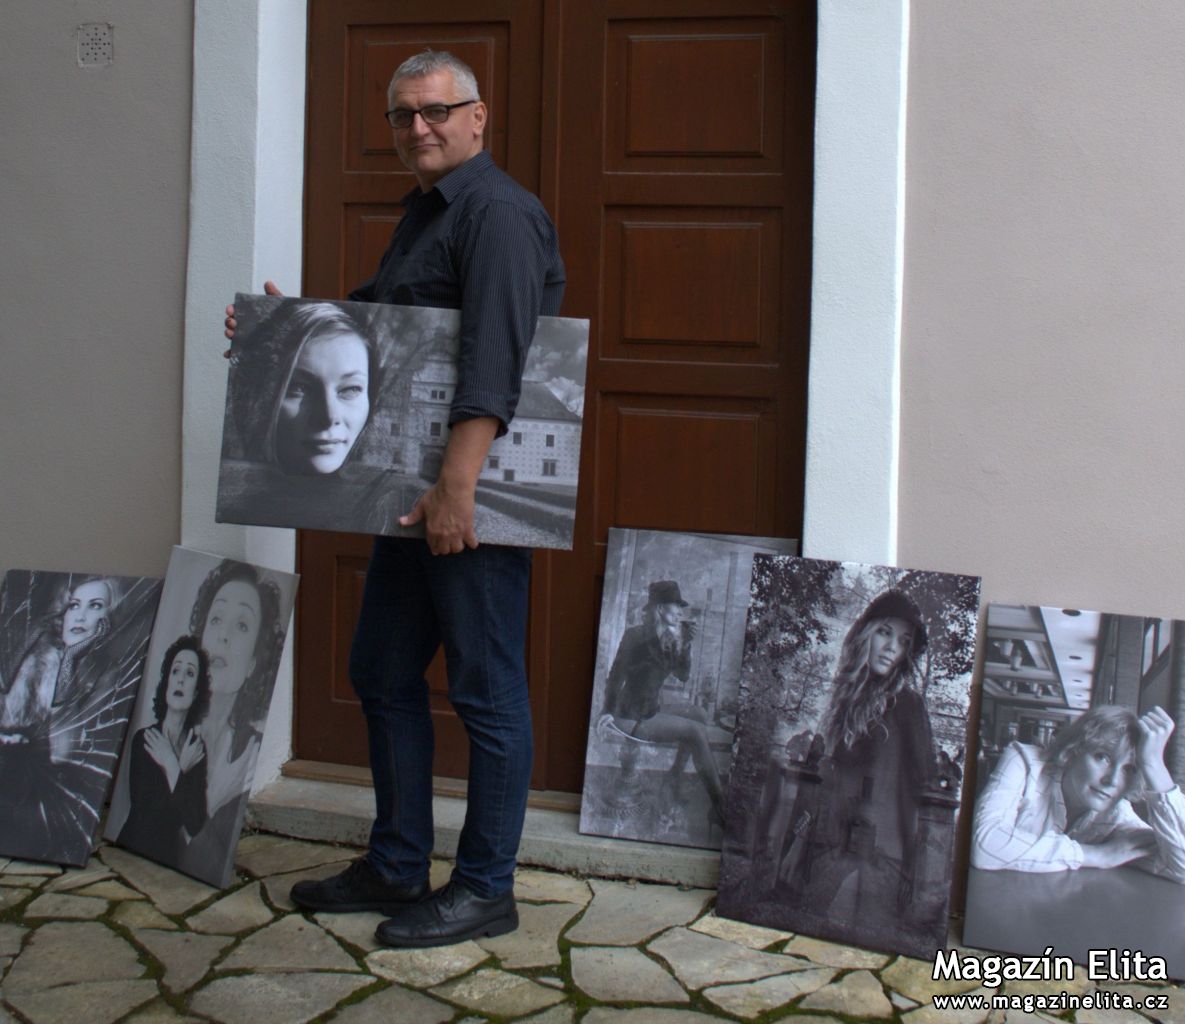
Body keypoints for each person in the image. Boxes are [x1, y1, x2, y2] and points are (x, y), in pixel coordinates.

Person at [225, 49, 564, 946]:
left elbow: (494, 363)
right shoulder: (428, 215)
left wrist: (459, 492)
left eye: (436, 111)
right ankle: (397, 862)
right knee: (381, 669)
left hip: (464, 496)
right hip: (412, 501)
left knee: (486, 691)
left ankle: (486, 886)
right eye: (402, 115)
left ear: (479, 116)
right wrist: (277, 331)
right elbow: (379, 329)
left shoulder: (495, 214)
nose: (418, 127)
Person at [774, 589, 936, 930]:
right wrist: (798, 844)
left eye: (904, 641)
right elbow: (821, 783)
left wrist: (915, 875)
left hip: (883, 861)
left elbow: (925, 789)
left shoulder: (908, 705)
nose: (893, 647)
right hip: (831, 846)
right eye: (884, 632)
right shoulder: (843, 703)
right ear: (866, 634)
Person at [971, 704, 1185, 881]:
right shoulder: (1024, 762)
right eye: (1103, 757)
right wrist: (1094, 855)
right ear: (1073, 750)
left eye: (1129, 769)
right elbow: (984, 845)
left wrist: (1155, 767)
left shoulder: (1117, 814)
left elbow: (1180, 868)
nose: (1111, 781)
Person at [178, 560, 285, 881]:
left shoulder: (248, 755)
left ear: (253, 662)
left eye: (241, 626)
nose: (222, 636)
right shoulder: (162, 736)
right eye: (216, 619)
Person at [597, 580, 724, 829]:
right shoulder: (635, 635)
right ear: (659, 609)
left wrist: (686, 645)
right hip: (631, 714)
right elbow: (615, 675)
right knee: (696, 732)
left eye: (680, 608)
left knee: (699, 715)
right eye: (675, 606)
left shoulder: (670, 639)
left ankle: (673, 778)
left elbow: (683, 675)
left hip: (650, 707)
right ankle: (720, 806)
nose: (679, 612)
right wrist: (607, 712)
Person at [117, 635, 211, 866]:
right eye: (175, 671)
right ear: (166, 682)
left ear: (197, 691)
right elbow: (146, 817)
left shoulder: (196, 748)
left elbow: (195, 822)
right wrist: (180, 769)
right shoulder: (145, 740)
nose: (180, 680)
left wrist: (170, 764)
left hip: (168, 860)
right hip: (134, 850)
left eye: (189, 674)